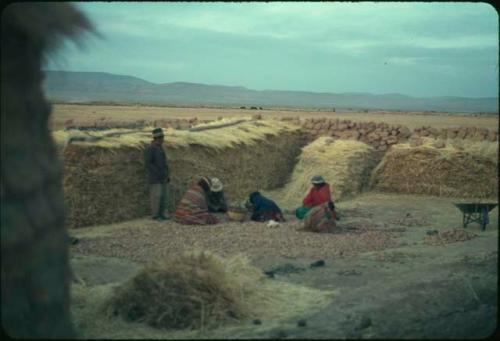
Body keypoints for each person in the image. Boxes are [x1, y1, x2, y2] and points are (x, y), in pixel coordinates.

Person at [144, 128, 170, 220]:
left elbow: (164, 163)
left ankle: (163, 213)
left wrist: (167, 175)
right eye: (162, 138)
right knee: (156, 196)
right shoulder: (150, 149)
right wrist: (157, 174)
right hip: (155, 178)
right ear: (157, 138)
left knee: (164, 196)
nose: (163, 140)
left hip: (163, 176)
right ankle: (155, 215)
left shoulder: (160, 148)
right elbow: (148, 164)